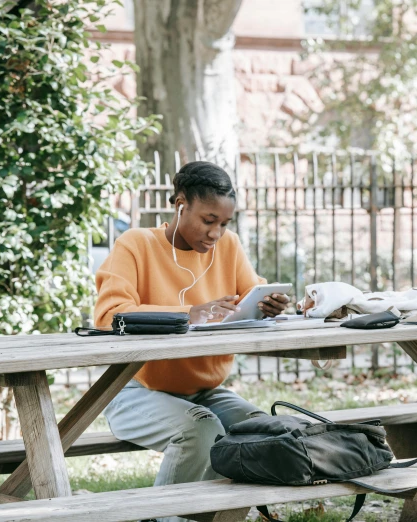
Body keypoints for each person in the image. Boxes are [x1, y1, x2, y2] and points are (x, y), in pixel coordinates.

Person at [95, 161, 289, 522]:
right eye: (208, 220)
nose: (216, 233)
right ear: (180, 204)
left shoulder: (228, 247)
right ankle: (160, 518)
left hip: (203, 391)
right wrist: (188, 313)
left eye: (224, 223)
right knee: (200, 429)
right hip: (133, 388)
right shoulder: (136, 244)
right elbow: (110, 315)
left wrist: (267, 305)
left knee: (258, 430)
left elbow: (251, 294)